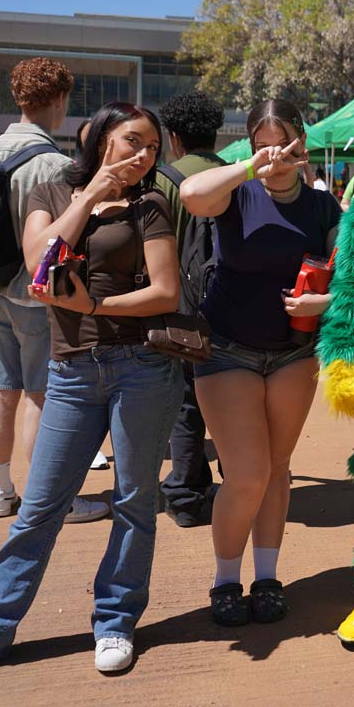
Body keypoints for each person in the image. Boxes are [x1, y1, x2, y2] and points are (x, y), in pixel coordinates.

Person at [0, 102, 185, 676]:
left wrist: (95, 304)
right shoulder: (55, 192)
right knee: (38, 508)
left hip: (142, 367)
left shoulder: (151, 204)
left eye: (153, 148)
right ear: (102, 138)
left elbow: (164, 292)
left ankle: (115, 621)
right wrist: (89, 197)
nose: (144, 156)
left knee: (135, 502)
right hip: (72, 371)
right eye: (133, 141)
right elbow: (40, 260)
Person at [179, 99, 341, 626]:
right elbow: (189, 194)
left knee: (276, 470)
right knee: (245, 474)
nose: (275, 153)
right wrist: (252, 167)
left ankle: (267, 576)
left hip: (294, 351)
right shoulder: (236, 192)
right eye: (262, 143)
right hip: (227, 348)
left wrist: (327, 303)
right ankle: (225, 580)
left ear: (303, 142)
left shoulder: (323, 207)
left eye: (284, 142)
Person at [0, 58, 109, 524]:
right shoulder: (52, 163)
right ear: (58, 100)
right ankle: (48, 500)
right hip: (37, 295)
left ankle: (0, 492)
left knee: (2, 393)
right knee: (40, 395)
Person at [156, 90, 227, 528]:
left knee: (185, 402)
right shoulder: (238, 176)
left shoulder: (164, 179)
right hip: (233, 308)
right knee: (231, 399)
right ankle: (238, 479)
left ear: (175, 137)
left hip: (180, 309)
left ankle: (185, 493)